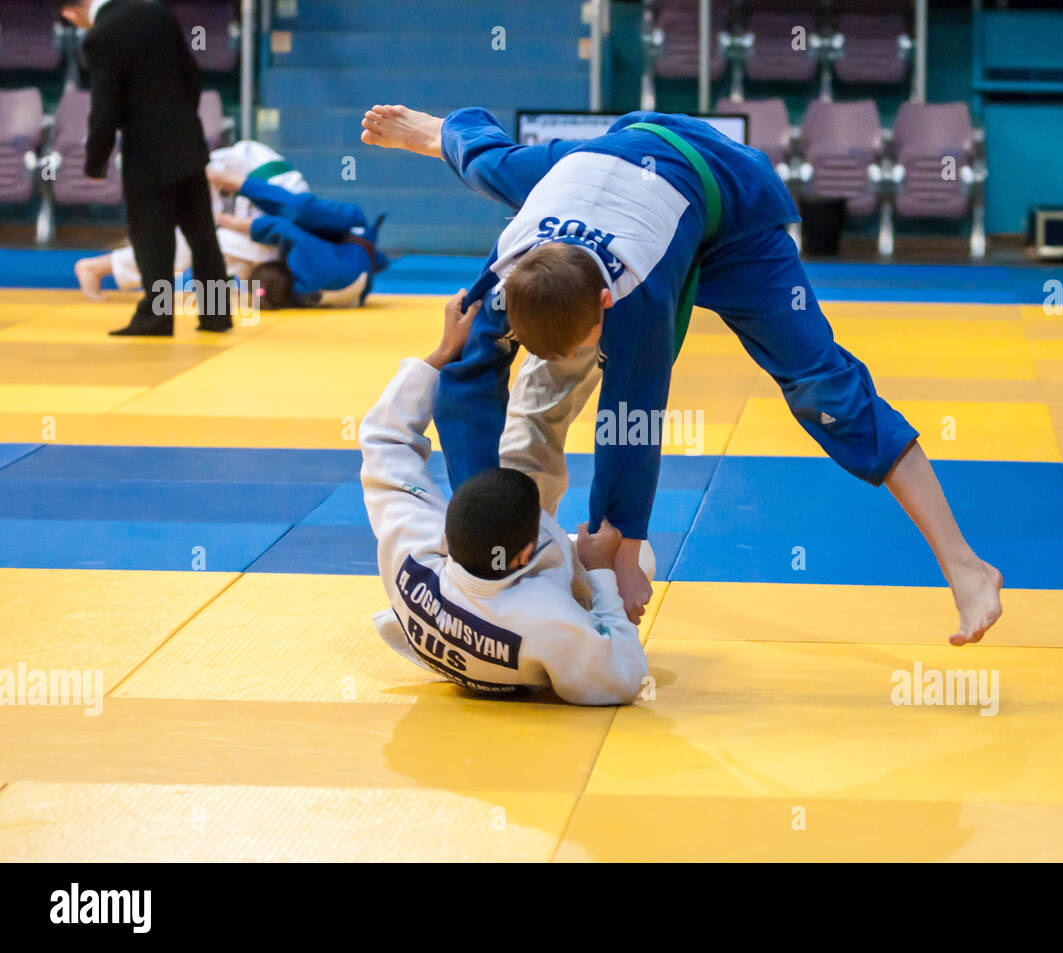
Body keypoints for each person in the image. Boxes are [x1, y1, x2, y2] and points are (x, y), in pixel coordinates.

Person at [361, 103, 1003, 646]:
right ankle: (507, 572)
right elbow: (468, 384)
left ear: (605, 309)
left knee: (823, 387)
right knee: (522, 370)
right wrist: (475, 533)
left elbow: (630, 424)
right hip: (599, 168)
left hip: (727, 207)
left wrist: (627, 552)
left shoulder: (634, 300)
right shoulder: (505, 277)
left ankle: (966, 565)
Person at [360, 290, 649, 705]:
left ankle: (562, 337)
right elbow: (621, 678)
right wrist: (602, 573)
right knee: (639, 561)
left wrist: (446, 351)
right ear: (523, 557)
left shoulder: (415, 552)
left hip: (462, 636)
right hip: (532, 641)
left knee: (525, 457)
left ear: (447, 532)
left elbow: (382, 440)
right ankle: (571, 338)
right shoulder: (551, 618)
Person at [57, 0, 231, 335]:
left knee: (153, 237)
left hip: (147, 149)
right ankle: (216, 314)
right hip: (187, 139)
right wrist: (182, 118)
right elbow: (191, 74)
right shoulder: (156, 11)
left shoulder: (101, 36)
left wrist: (96, 160)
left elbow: (104, 105)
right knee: (202, 233)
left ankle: (157, 317)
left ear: (70, 13)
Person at [74, 140, 310, 302]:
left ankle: (97, 267)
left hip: (248, 183)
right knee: (201, 243)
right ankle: (95, 267)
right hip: (238, 178)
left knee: (227, 246)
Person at [205, 168, 389, 309]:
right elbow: (280, 228)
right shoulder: (304, 269)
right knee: (298, 210)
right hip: (352, 231)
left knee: (295, 216)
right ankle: (234, 182)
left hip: (356, 272)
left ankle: (234, 185)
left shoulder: (301, 294)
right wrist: (224, 220)